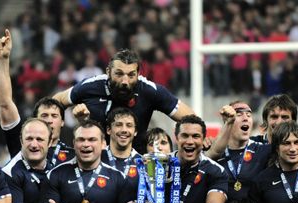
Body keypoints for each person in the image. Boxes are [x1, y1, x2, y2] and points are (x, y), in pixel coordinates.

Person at [53, 48, 195, 153]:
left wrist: (200, 136)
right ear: (108, 71)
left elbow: (190, 118)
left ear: (138, 74)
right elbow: (56, 102)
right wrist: (50, 135)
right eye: (119, 74)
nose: (125, 81)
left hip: (136, 163)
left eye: (131, 75)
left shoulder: (149, 90)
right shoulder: (91, 86)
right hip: (96, 162)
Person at [0, 29, 75, 168]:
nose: (49, 119)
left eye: (54, 115)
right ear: (35, 120)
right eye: (44, 115)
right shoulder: (22, 147)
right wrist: (3, 60)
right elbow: (5, 105)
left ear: (62, 122)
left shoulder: (75, 156)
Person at [100, 107, 141, 179]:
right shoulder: (97, 158)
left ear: (135, 132)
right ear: (108, 130)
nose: (124, 130)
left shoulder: (143, 163)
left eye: (129, 125)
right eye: (118, 125)